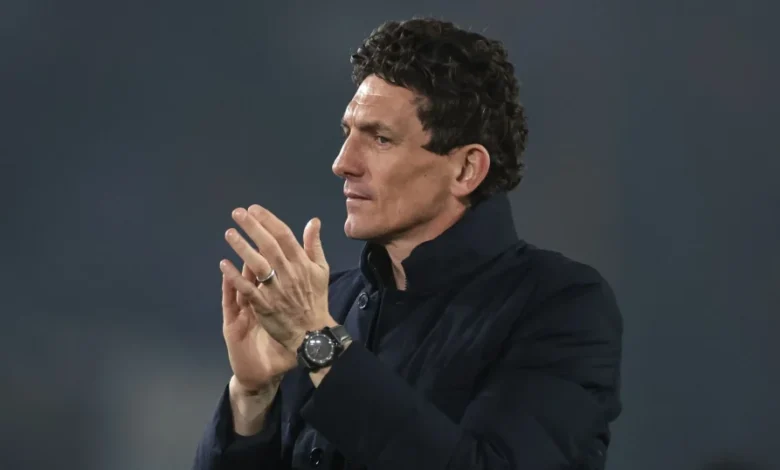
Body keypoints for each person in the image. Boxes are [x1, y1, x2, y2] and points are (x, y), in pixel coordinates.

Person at [193, 17, 623, 470]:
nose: (343, 163)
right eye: (347, 134)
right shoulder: (327, 305)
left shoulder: (561, 306)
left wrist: (318, 343)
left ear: (466, 170)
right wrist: (252, 397)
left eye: (380, 139)